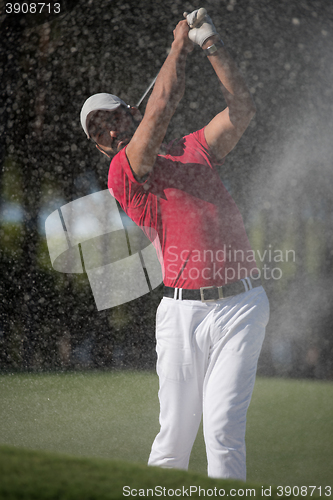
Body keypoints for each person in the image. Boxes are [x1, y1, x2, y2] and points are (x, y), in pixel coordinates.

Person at [80, 9, 269, 480]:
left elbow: (243, 109)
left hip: (242, 305)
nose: (107, 130)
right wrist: (176, 45)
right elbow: (163, 102)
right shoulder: (122, 173)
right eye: (97, 129)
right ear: (101, 144)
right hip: (183, 315)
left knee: (224, 430)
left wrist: (210, 44)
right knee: (174, 441)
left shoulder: (193, 147)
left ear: (128, 113)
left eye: (110, 117)